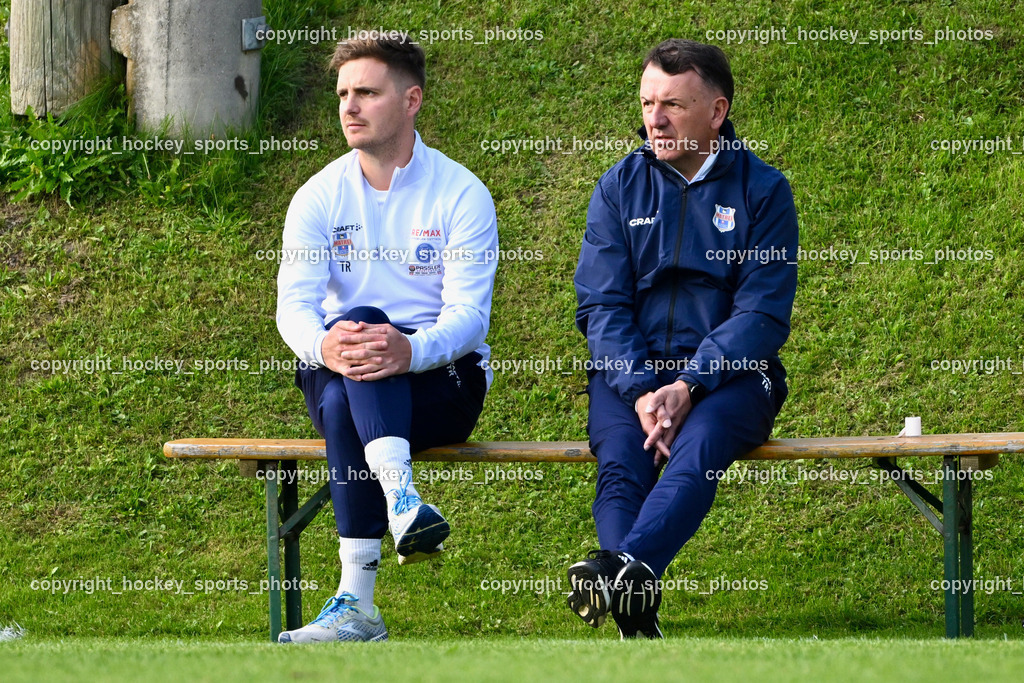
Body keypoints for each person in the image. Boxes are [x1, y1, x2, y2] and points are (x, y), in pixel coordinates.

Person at [567, 39, 798, 639]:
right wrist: (645, 389)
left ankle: (619, 569)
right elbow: (601, 304)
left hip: (732, 378)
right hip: (630, 377)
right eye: (647, 102)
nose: (654, 118)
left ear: (716, 112)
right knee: (621, 464)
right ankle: (634, 602)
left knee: (697, 452)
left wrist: (690, 385)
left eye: (671, 104)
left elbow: (762, 313)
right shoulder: (619, 186)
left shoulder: (763, 191)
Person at [274, 35, 498, 643]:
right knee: (352, 353)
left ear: (411, 100)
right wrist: (322, 347)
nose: (349, 106)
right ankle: (402, 499)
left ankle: (358, 605)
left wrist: (409, 349)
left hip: (441, 383)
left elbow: (470, 317)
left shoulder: (460, 192)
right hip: (337, 369)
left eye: (367, 93)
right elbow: (292, 309)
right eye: (343, 93)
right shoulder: (318, 194)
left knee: (355, 370)